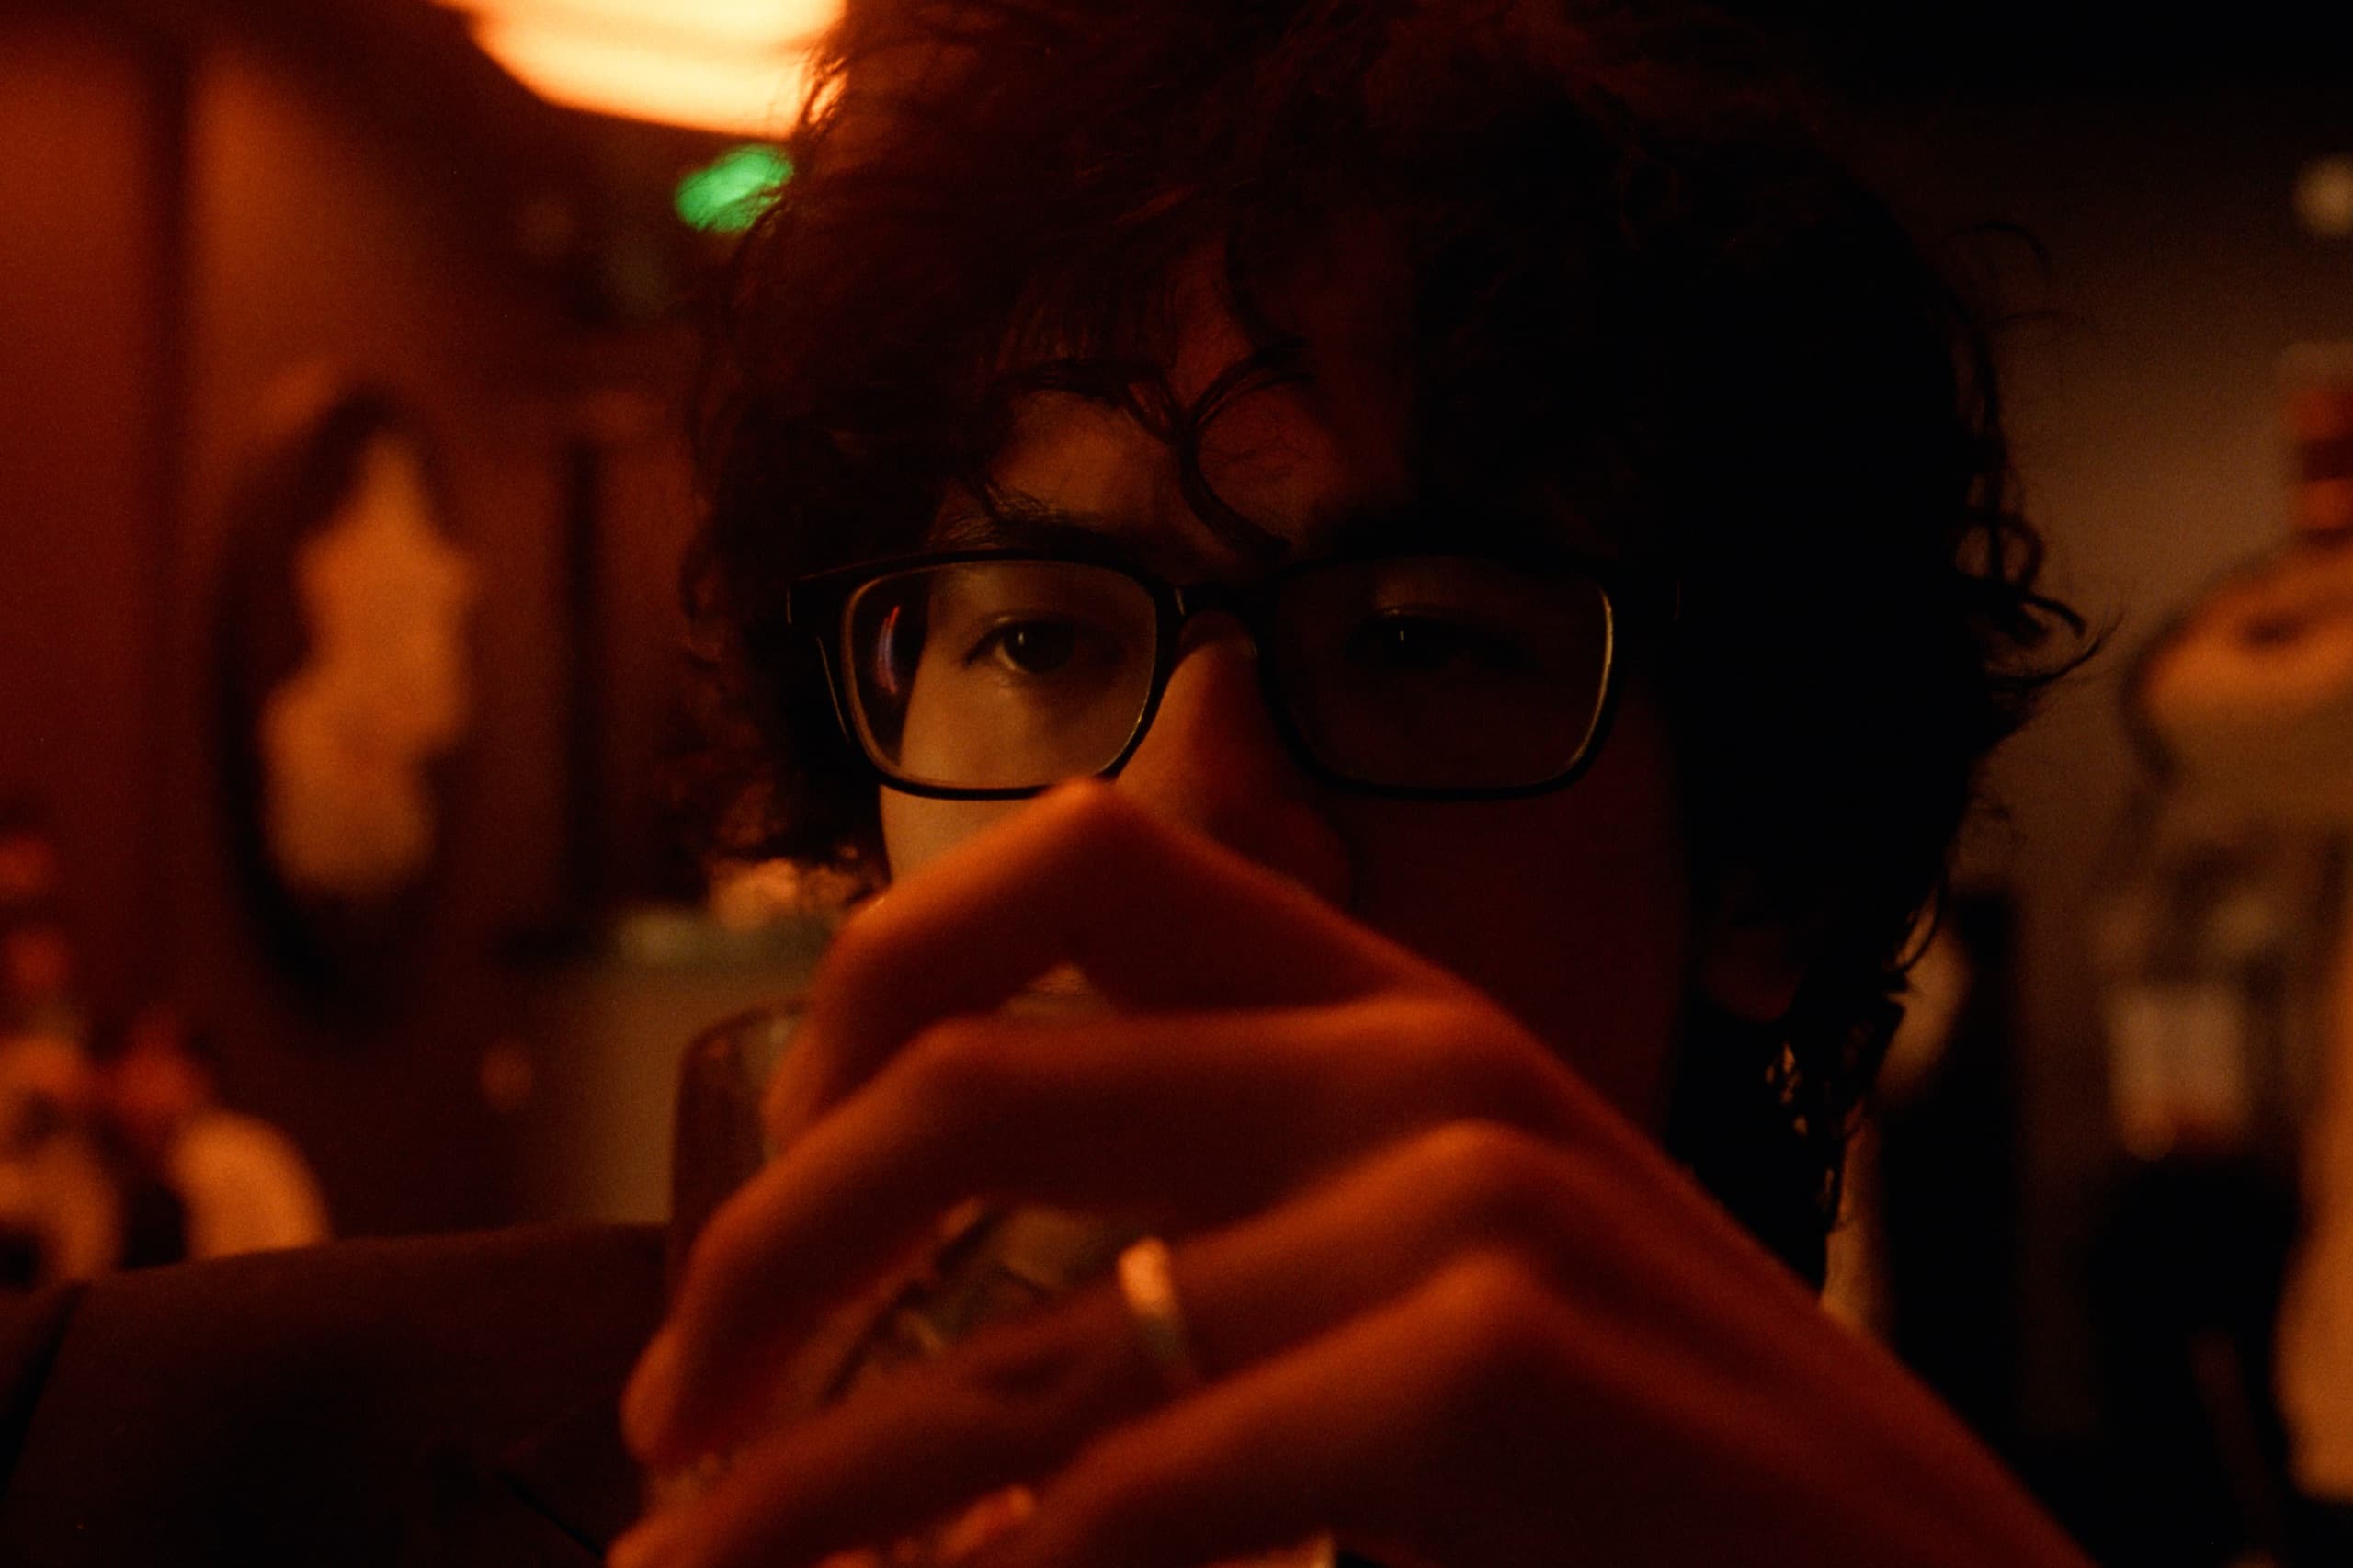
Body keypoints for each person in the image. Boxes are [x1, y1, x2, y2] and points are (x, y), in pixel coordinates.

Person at [0, 3, 2095, 1565]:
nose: (1163, 818)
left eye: (1421, 642)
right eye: (1036, 636)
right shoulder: (160, 1461)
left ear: (1766, 871)